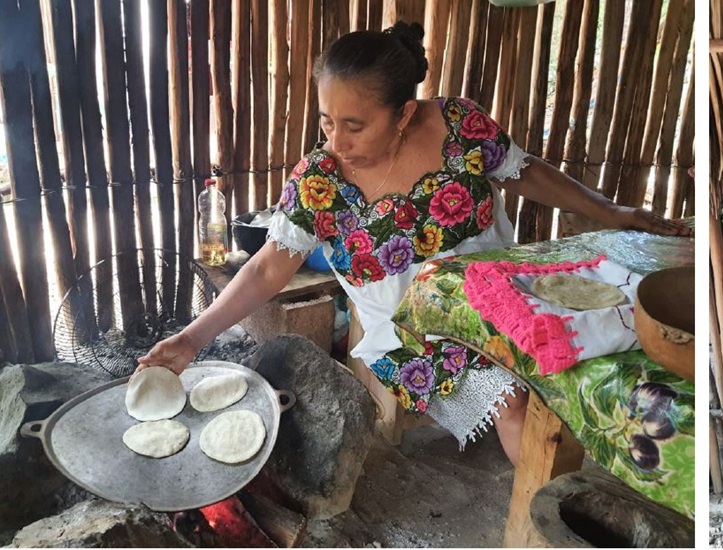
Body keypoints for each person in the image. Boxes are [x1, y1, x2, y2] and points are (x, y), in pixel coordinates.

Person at [137, 21, 691, 465]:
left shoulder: (458, 125)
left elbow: (527, 174)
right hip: (412, 329)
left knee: (615, 346)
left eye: (354, 124)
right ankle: (542, 507)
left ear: (404, 113)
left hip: (504, 290)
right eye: (327, 121)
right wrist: (190, 340)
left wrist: (612, 211)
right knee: (518, 403)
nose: (336, 141)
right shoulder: (320, 180)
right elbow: (265, 270)